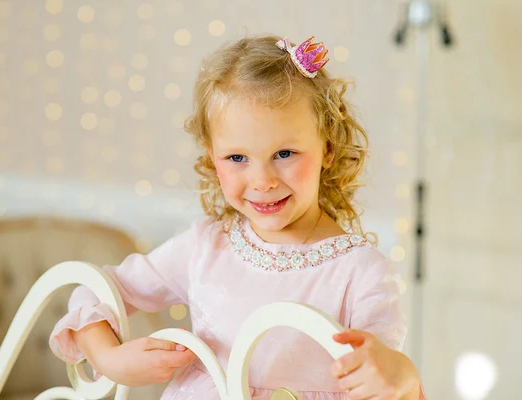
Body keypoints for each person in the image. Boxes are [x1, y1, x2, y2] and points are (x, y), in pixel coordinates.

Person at [49, 34, 427, 399]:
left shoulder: (362, 274)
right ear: (212, 158)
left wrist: (404, 380)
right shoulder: (206, 246)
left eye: (285, 154)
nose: (262, 181)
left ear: (327, 148)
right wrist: (108, 357)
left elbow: (382, 381)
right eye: (237, 158)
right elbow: (96, 288)